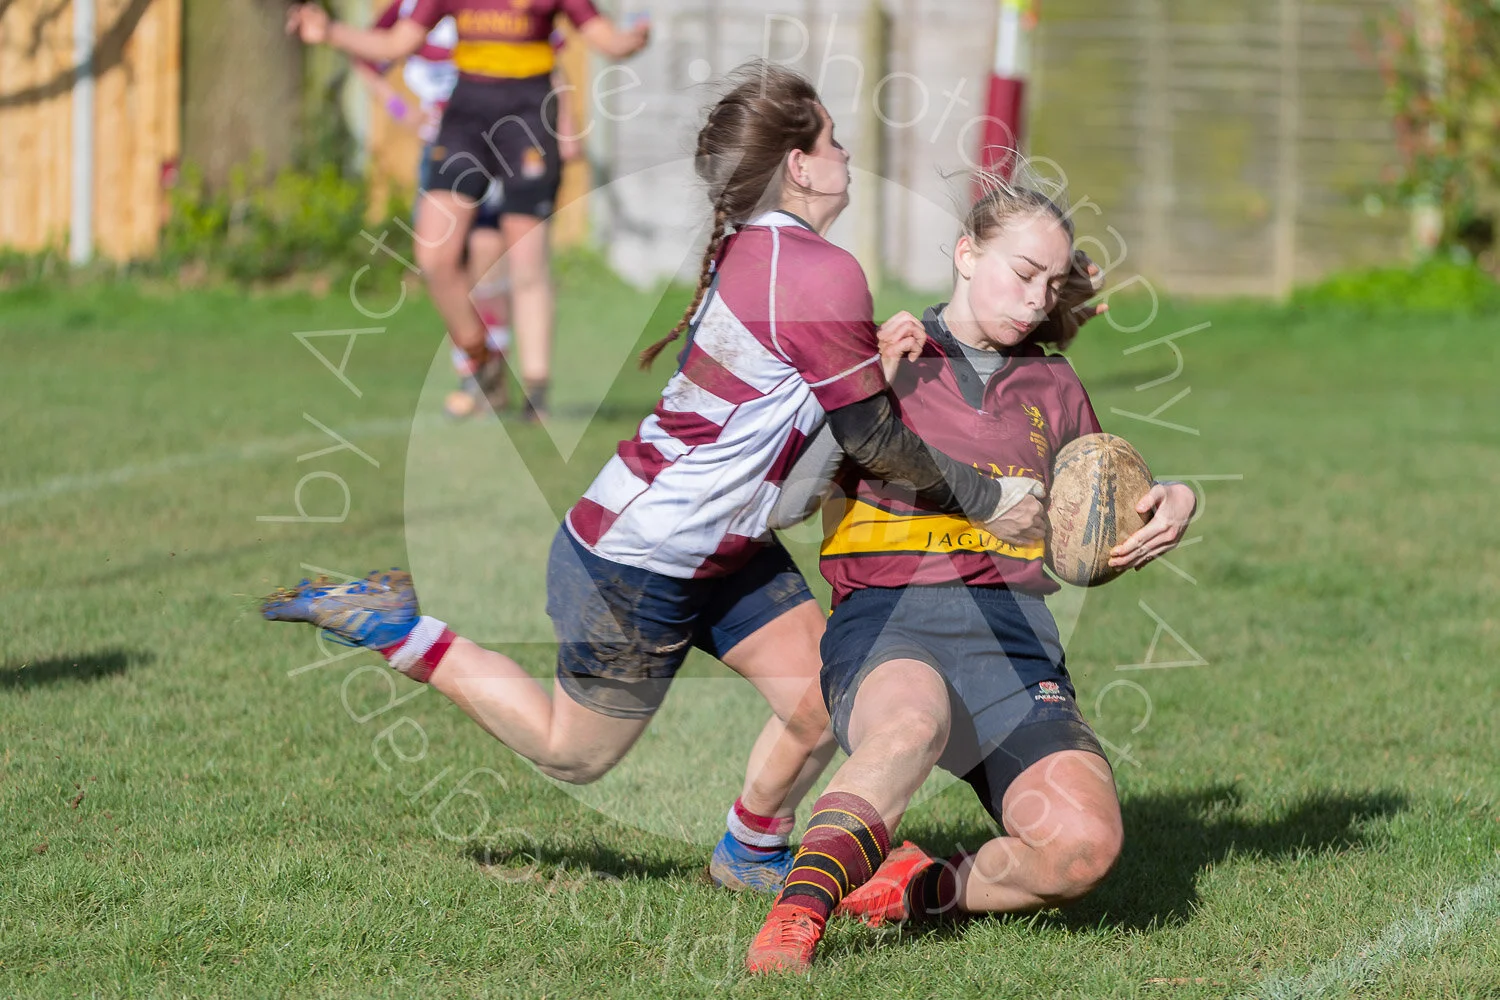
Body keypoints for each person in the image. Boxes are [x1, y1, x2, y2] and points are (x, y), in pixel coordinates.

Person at [262, 65, 1053, 894]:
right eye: (834, 139)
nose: (849, 154)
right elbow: (872, 444)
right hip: (639, 558)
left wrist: (873, 374)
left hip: (720, 542)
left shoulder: (780, 256)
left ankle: (748, 852)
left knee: (827, 693)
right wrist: (989, 497)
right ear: (800, 164)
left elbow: (801, 470)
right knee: (574, 753)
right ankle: (402, 630)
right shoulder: (817, 270)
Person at [744, 179, 1198, 973]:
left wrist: (1168, 506)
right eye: (1022, 274)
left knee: (1083, 851)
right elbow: (786, 503)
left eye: (1052, 286)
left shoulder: (1053, 384)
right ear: (966, 253)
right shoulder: (889, 352)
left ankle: (913, 888)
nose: (1035, 300)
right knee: (909, 727)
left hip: (1011, 634)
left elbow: (1073, 551)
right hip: (891, 617)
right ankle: (798, 914)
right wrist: (864, 386)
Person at [286, 0, 649, 422]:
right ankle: (482, 360)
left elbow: (605, 39)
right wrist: (330, 31)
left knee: (526, 264)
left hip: (528, 122)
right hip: (465, 124)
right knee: (434, 257)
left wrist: (634, 39)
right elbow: (395, 43)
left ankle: (537, 393)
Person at [352, 0, 513, 419]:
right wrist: (403, 112)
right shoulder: (410, 8)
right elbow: (369, 59)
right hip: (443, 147)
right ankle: (476, 367)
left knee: (487, 256)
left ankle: (490, 377)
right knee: (442, 263)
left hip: (495, 140)